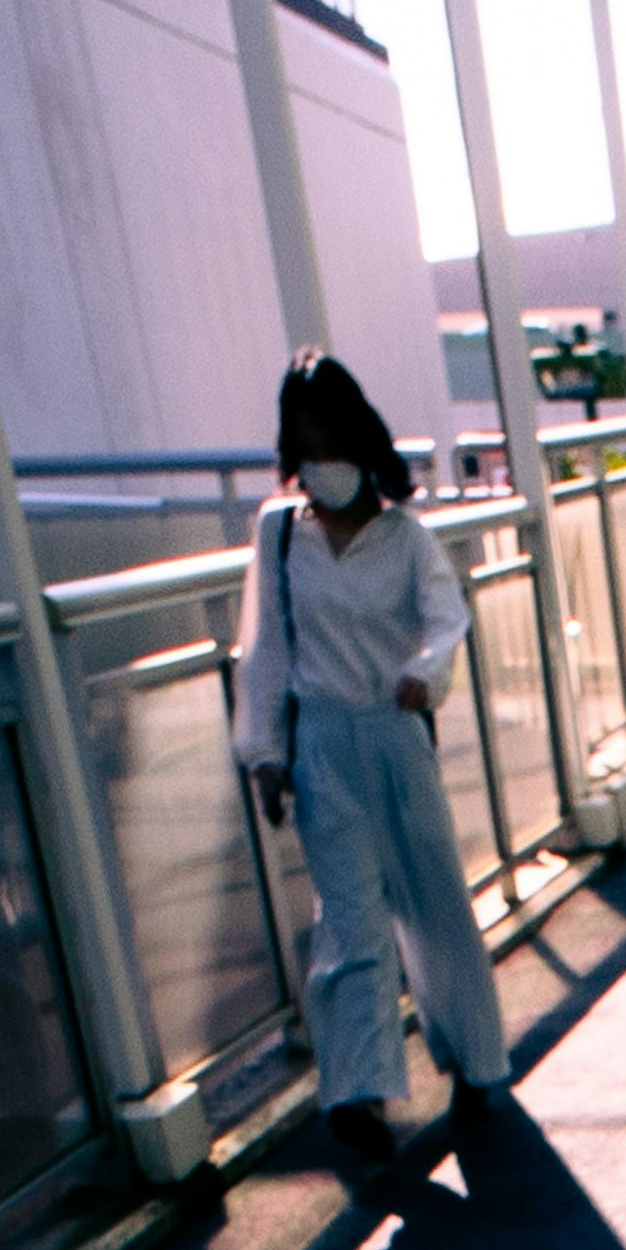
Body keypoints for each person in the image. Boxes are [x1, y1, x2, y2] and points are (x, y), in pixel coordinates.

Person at [231, 352, 520, 1181]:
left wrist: (424, 676)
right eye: (304, 439)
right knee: (348, 916)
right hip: (323, 741)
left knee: (432, 900)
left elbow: (447, 619)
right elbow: (266, 652)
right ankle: (355, 1092)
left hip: (396, 733)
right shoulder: (279, 534)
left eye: (330, 436)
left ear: (360, 439)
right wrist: (266, 754)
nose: (318, 456)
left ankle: (473, 1060)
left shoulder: (405, 538)